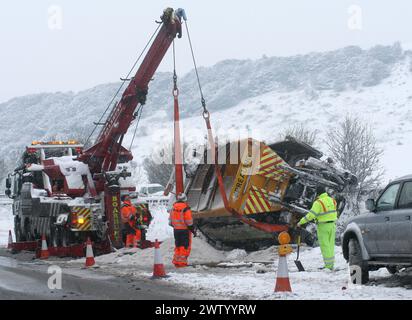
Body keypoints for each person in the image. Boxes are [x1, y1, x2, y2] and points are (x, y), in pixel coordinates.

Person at [297, 186, 338, 270]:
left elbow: (311, 215)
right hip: (333, 225)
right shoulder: (332, 200)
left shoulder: (318, 202)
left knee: (325, 246)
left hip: (323, 226)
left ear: (317, 194)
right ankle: (331, 264)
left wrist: (301, 222)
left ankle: (328, 266)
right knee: (330, 245)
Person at [169, 193, 196, 268]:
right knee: (185, 246)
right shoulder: (186, 208)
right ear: (185, 199)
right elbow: (189, 221)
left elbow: (170, 220)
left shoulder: (173, 207)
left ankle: (176, 261)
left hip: (176, 230)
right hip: (184, 230)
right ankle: (182, 262)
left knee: (178, 245)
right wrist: (193, 230)